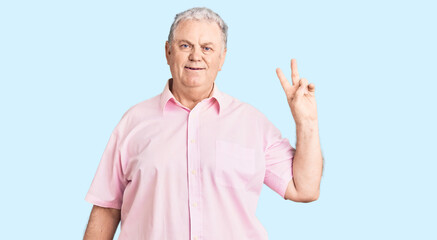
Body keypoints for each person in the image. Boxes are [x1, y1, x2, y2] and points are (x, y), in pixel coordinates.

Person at [83, 7, 323, 240]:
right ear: (168, 52)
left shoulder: (253, 124)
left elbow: (305, 189)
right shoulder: (133, 123)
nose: (195, 56)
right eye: (185, 45)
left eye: (207, 48)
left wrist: (307, 122)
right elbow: (107, 208)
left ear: (222, 58)